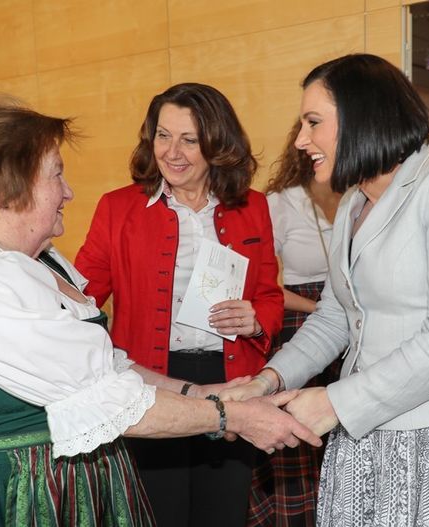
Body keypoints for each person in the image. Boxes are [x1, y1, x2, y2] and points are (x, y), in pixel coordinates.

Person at [0, 94, 319, 527]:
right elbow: (104, 397)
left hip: (92, 453)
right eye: (57, 174)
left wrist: (204, 393)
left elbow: (101, 364)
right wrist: (232, 414)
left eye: (189, 139)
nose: (69, 191)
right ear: (7, 188)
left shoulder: (42, 261)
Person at [221, 54, 429, 526]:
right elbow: (335, 315)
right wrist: (268, 380)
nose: (301, 140)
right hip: (367, 424)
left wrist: (334, 401)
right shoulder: (353, 200)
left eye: (313, 122)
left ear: (362, 116)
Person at [75, 83, 286, 527]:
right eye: (163, 136)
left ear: (217, 144)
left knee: (223, 511)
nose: (172, 152)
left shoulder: (253, 208)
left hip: (230, 380)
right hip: (152, 382)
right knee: (160, 511)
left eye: (189, 139)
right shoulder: (118, 209)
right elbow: (82, 299)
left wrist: (255, 319)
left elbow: (269, 294)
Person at [246, 122, 343, 526]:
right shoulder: (280, 203)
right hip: (306, 325)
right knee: (303, 445)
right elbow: (266, 286)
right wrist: (321, 308)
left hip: (358, 327)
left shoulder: (362, 196)